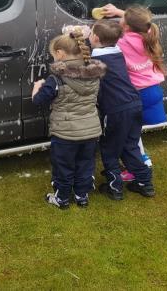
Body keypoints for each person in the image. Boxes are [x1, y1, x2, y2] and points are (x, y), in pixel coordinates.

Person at [32, 28, 106, 209]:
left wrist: (37, 86)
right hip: (90, 130)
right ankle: (82, 196)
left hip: (65, 134)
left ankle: (62, 198)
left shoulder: (55, 79)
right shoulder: (94, 74)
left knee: (63, 166)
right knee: (85, 163)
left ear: (60, 54)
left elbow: (38, 100)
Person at [89, 19, 155, 199]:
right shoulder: (118, 53)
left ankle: (114, 188)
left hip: (115, 110)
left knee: (109, 148)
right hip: (134, 104)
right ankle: (145, 184)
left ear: (94, 38)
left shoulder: (96, 61)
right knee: (130, 146)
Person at [101, 4, 166, 180]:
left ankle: (140, 165)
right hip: (154, 90)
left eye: (122, 19)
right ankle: (140, 161)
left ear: (127, 26)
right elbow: (142, 22)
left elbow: (106, 41)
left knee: (130, 135)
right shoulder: (148, 34)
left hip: (137, 94)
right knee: (134, 133)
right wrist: (119, 13)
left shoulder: (122, 42)